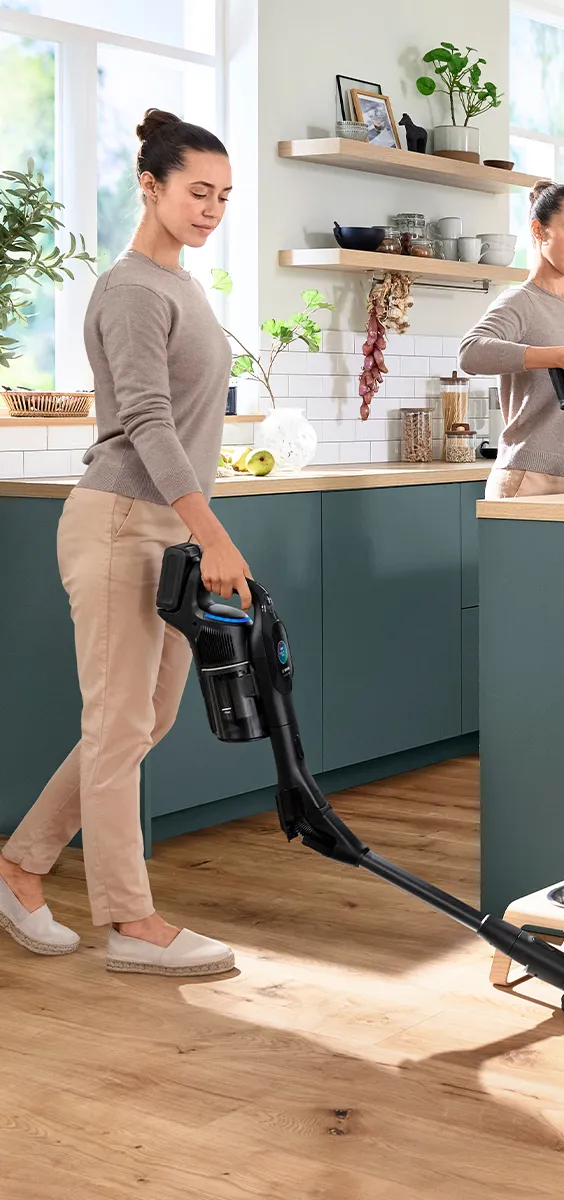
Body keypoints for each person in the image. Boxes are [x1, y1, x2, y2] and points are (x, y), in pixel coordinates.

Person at [0, 109, 247, 974]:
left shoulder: (182, 283)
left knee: (142, 719)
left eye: (223, 196)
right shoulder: (135, 288)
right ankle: (129, 922)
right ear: (150, 186)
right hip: (118, 521)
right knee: (116, 725)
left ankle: (20, 865)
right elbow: (143, 419)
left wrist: (197, 523)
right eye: (197, 192)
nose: (212, 208)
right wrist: (212, 530)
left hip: (166, 526)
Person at [459, 181, 564, 498]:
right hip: (531, 479)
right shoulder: (521, 301)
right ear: (539, 231)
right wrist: (559, 356)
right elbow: (470, 352)